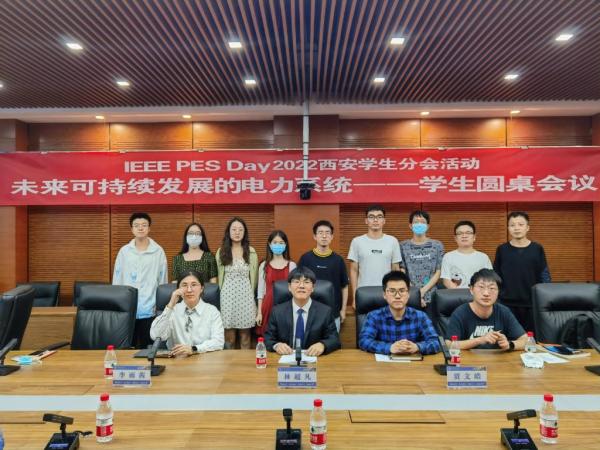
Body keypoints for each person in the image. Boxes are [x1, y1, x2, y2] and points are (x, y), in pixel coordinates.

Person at [113, 212, 167, 349]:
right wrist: (117, 304)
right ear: (132, 229)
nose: (140, 228)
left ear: (149, 228)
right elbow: (117, 279)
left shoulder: (158, 251)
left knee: (146, 348)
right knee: (126, 348)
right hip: (127, 308)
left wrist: (158, 304)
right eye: (136, 225)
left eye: (144, 225)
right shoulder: (124, 251)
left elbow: (163, 280)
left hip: (150, 307)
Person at [494, 211, 551, 332]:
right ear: (508, 228)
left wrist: (545, 299)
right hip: (507, 304)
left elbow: (544, 276)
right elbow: (496, 276)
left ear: (527, 227)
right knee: (508, 337)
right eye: (512, 225)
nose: (516, 228)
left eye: (520, 224)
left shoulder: (537, 248)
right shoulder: (502, 249)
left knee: (531, 338)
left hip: (532, 304)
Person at [264, 267, 341, 356]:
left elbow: (334, 339)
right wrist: (277, 345)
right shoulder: (277, 311)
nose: (301, 286)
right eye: (296, 282)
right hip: (285, 358)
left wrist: (323, 345)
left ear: (313, 287)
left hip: (315, 358)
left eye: (306, 282)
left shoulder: (325, 312)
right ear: (289, 287)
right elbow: (268, 338)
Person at [359, 271, 439, 355]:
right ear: (384, 295)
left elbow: (436, 342)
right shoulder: (374, 316)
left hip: (412, 362)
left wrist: (417, 347)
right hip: (383, 363)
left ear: (408, 294)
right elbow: (364, 341)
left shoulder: (420, 317)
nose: (397, 296)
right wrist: (389, 347)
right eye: (392, 291)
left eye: (402, 291)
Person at [446, 268, 528, 351]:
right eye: (481, 287)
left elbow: (526, 340)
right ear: (471, 289)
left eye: (492, 288)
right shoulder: (460, 313)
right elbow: (449, 344)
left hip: (497, 358)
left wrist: (509, 345)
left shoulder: (503, 312)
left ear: (498, 291)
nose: (486, 293)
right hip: (468, 359)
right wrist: (480, 340)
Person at [150, 270, 224, 356]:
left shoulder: (212, 311)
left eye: (194, 285)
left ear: (201, 288)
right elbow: (155, 335)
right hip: (177, 360)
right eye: (184, 285)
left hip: (204, 359)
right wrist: (170, 305)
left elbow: (218, 342)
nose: (189, 290)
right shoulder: (172, 311)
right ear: (178, 289)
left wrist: (194, 349)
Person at [298, 220, 349, 331]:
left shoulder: (338, 260)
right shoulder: (305, 258)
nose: (324, 236)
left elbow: (344, 286)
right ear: (315, 236)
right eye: (320, 232)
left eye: (327, 232)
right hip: (309, 312)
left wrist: (343, 310)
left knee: (332, 341)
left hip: (333, 313)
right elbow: (297, 285)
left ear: (332, 237)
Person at [216, 217, 258, 349]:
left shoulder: (251, 252)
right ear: (228, 232)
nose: (237, 232)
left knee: (245, 337)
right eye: (234, 229)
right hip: (227, 298)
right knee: (229, 338)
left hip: (246, 297)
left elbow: (254, 277)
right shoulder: (221, 251)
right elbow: (218, 276)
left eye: (240, 229)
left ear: (245, 233)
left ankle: (245, 362)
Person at [348, 205, 401, 307]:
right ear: (366, 221)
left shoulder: (392, 241)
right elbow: (354, 270)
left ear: (384, 221)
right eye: (371, 217)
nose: (375, 220)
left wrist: (396, 294)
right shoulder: (357, 241)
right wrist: (355, 296)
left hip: (387, 293)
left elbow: (396, 270)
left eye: (379, 217)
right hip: (363, 293)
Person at [399, 210, 444, 313]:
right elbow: (402, 272)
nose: (419, 224)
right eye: (416, 222)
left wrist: (422, 292)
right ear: (410, 225)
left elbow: (438, 271)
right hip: (409, 295)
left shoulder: (437, 245)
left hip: (432, 296)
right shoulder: (402, 246)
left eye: (423, 222)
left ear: (428, 226)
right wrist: (415, 294)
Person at [256, 230, 296, 337]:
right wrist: (259, 312)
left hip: (286, 306)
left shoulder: (292, 265)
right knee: (268, 338)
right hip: (267, 306)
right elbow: (260, 291)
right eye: (275, 242)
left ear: (285, 245)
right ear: (270, 244)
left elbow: (295, 290)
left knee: (284, 337)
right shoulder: (264, 265)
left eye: (281, 243)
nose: (278, 245)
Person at [441, 220, 492, 289]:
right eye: (460, 233)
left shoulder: (483, 257)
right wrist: (459, 294)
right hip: (456, 294)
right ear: (455, 238)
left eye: (468, 233)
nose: (464, 236)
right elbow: (446, 280)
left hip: (478, 294)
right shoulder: (448, 257)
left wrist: (476, 293)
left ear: (474, 237)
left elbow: (489, 279)